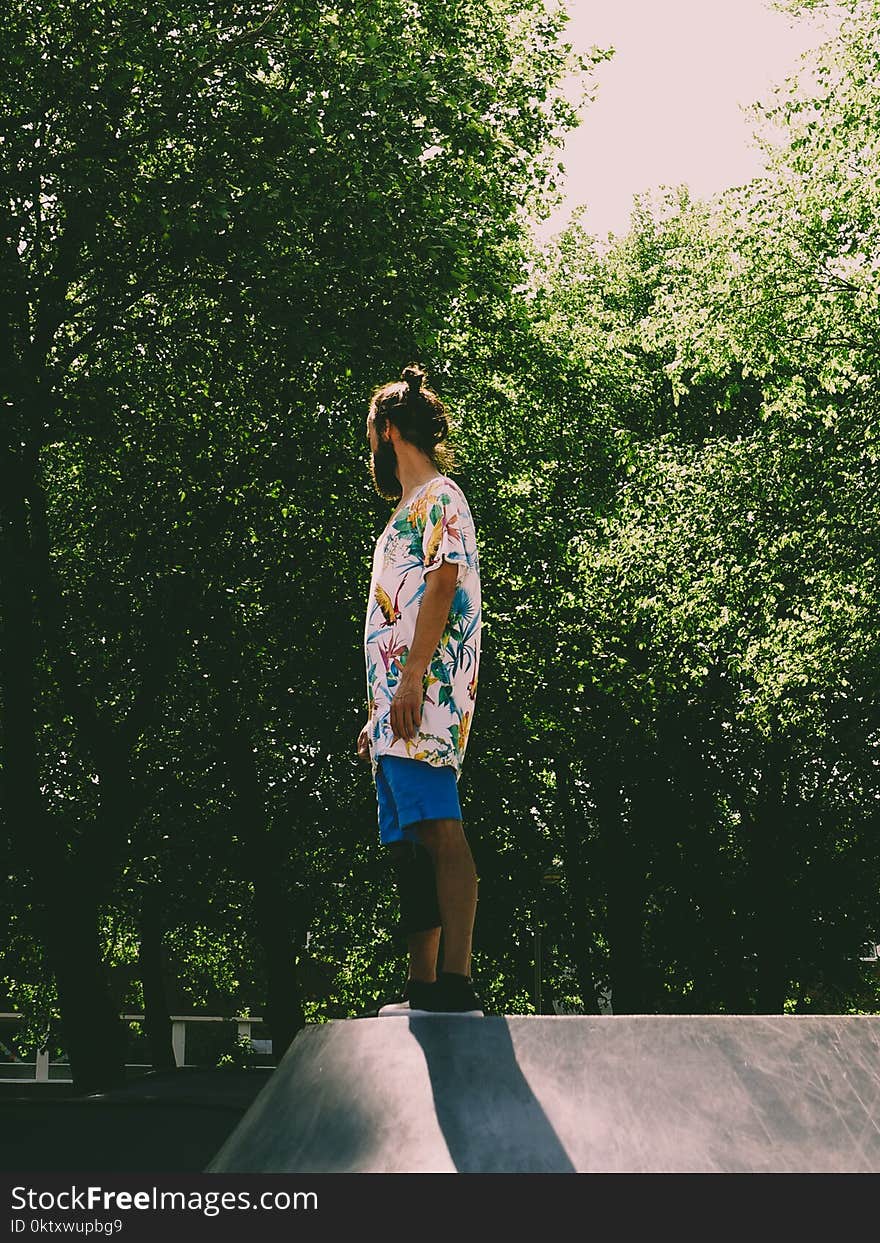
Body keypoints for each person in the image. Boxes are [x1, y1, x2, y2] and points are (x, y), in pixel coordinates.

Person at [357, 363, 483, 1017]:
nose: (368, 450)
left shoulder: (441, 498)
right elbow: (392, 617)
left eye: (370, 435)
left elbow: (441, 585)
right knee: (407, 846)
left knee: (439, 828)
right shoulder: (403, 512)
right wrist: (376, 714)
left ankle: (456, 984)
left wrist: (409, 681)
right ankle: (424, 986)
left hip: (426, 700)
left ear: (389, 431)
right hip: (395, 710)